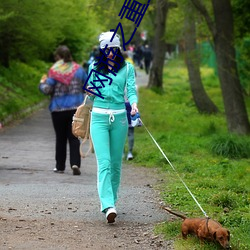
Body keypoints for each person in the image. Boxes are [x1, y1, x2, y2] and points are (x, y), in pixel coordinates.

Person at [86, 32, 138, 223]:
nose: (109, 53)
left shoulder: (127, 68)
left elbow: (131, 90)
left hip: (119, 119)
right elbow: (91, 96)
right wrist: (88, 95)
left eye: (113, 49)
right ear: (101, 50)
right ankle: (108, 205)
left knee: (116, 164)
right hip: (98, 118)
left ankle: (112, 201)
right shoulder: (94, 67)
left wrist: (134, 104)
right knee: (105, 163)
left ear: (118, 50)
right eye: (105, 50)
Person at [39, 45, 87, 175]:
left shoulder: (54, 71)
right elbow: (87, 87)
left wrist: (42, 83)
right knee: (74, 136)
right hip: (75, 109)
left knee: (60, 138)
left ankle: (60, 167)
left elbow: (47, 90)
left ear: (58, 57)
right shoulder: (79, 70)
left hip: (58, 109)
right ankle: (75, 163)